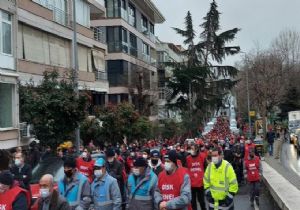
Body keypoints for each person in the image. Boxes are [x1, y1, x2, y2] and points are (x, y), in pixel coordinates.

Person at [186, 144, 206, 210]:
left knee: (202, 201)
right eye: (190, 149)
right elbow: (186, 169)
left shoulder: (202, 156)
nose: (191, 150)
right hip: (191, 183)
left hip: (200, 183)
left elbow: (206, 168)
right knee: (193, 202)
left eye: (192, 149)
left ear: (197, 149)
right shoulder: (188, 158)